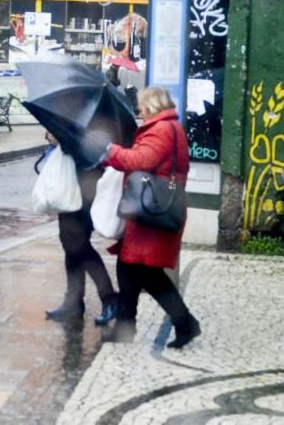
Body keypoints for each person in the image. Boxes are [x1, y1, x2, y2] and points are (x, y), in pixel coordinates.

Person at [102, 86, 201, 348]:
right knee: (129, 267)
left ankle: (185, 323)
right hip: (151, 207)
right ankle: (126, 328)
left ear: (150, 106)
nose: (139, 111)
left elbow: (141, 161)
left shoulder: (161, 130)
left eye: (141, 106)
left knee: (147, 273)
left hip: (152, 209)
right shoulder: (169, 127)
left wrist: (112, 151)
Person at [39, 131, 119, 325]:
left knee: (78, 244)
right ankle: (73, 302)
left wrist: (62, 138)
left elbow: (92, 145)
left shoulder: (91, 115)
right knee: (69, 242)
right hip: (70, 185)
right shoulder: (74, 110)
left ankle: (109, 298)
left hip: (86, 186)